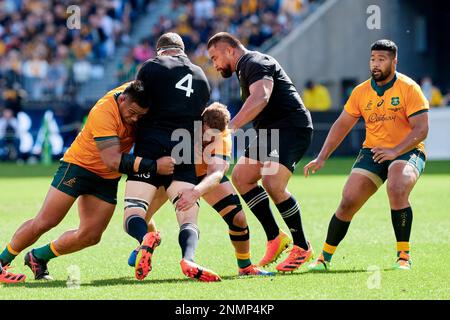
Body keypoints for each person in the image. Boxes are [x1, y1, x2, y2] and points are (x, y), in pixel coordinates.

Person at [0, 81, 175, 281]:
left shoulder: (137, 93)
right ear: (123, 99)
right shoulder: (104, 111)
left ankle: (38, 257)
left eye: (140, 115)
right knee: (46, 221)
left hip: (107, 178)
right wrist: (154, 166)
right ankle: (1, 262)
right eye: (132, 112)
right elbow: (112, 160)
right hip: (79, 166)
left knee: (91, 236)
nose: (135, 119)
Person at [305, 40, 429, 271]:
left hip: (408, 150)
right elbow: (341, 125)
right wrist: (322, 157)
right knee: (349, 199)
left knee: (397, 186)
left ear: (394, 61)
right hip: (373, 151)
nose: (375, 64)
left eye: (381, 59)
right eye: (373, 59)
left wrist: (394, 151)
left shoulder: (409, 88)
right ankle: (324, 259)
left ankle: (403, 256)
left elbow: (421, 129)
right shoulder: (361, 92)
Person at [207, 32, 314, 272]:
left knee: (273, 183)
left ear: (230, 51)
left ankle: (302, 247)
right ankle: (275, 237)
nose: (214, 65)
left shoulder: (255, 62)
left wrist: (231, 127)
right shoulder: (244, 68)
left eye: (215, 58)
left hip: (291, 127)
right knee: (242, 177)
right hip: (270, 131)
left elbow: (261, 96)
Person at [126, 102, 274, 276]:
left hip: (204, 175)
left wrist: (195, 192)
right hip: (173, 173)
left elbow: (216, 174)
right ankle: (145, 244)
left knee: (238, 219)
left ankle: (245, 267)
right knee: (141, 216)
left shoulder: (223, 135)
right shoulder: (187, 122)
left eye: (214, 138)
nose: (210, 140)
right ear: (201, 123)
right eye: (207, 135)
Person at [123, 33, 221, 282]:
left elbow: (139, 100)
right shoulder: (201, 76)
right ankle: (188, 257)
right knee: (187, 214)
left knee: (134, 212)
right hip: (184, 146)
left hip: (151, 144)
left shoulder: (151, 67)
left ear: (160, 50)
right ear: (182, 51)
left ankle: (144, 238)